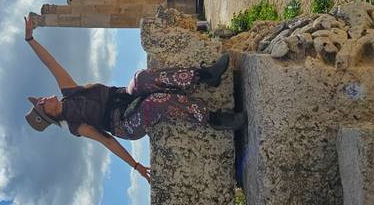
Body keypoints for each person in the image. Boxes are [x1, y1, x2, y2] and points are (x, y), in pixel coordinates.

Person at [22, 17, 246, 184]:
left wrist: (30, 39)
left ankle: (206, 76)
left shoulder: (69, 91)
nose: (43, 98)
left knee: (141, 77)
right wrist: (136, 165)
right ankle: (213, 118)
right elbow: (108, 141)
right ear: (49, 114)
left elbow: (50, 63)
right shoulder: (75, 126)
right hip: (124, 124)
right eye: (42, 103)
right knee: (155, 102)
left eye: (40, 99)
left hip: (125, 96)